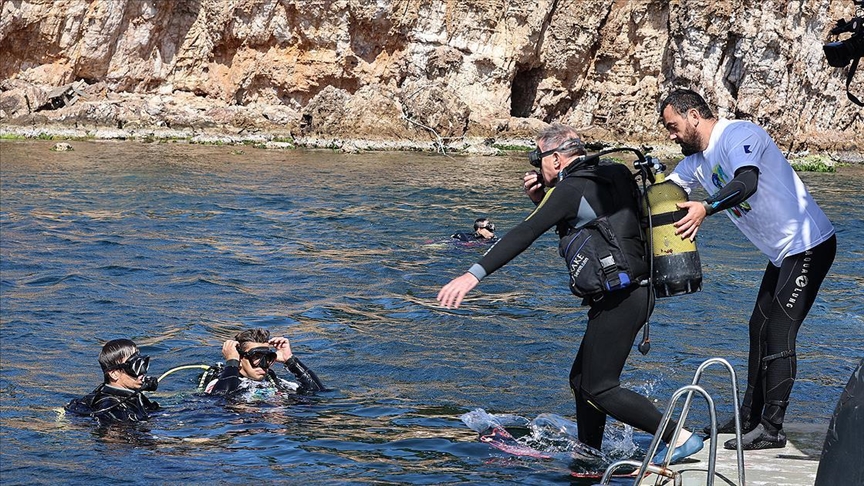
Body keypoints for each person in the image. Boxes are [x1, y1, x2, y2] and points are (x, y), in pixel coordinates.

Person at [437, 123, 703, 464]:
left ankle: (680, 435)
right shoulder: (612, 175)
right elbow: (595, 224)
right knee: (581, 381)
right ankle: (589, 455)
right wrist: (543, 198)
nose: (536, 166)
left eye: (538, 157)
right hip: (632, 292)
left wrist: (472, 276)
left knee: (601, 386)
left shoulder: (570, 189)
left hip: (623, 297)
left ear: (558, 159)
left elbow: (528, 230)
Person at [660, 89, 836, 451]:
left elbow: (747, 181)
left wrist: (706, 207)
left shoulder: (738, 135)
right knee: (758, 326)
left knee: (778, 329)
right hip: (781, 254)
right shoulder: (695, 163)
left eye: (673, 126)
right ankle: (749, 417)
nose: (672, 136)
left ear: (694, 115)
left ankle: (772, 427)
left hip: (809, 244)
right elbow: (662, 194)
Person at [202, 328, 325, 399]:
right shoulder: (218, 383)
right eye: (256, 357)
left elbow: (317, 394)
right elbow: (219, 399)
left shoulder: (274, 382)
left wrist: (291, 361)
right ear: (240, 357)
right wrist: (232, 362)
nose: (263, 363)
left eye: (267, 357)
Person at [65, 339, 160, 424]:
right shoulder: (110, 407)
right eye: (136, 366)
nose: (142, 372)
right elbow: (114, 440)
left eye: (143, 364)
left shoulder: (131, 396)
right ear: (114, 374)